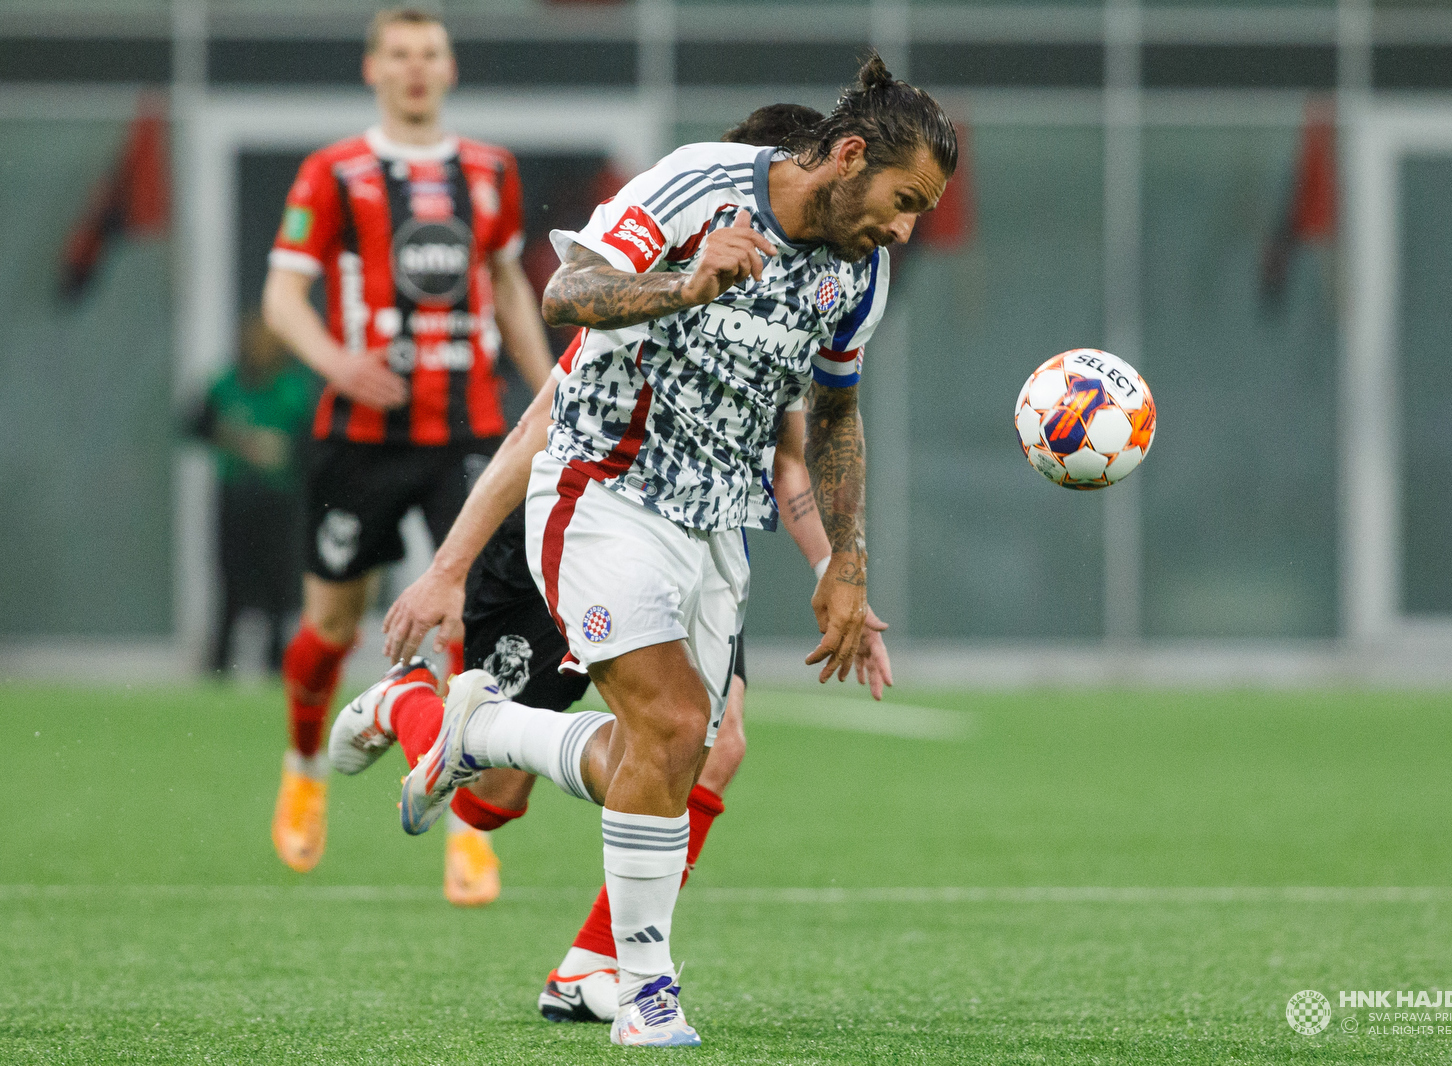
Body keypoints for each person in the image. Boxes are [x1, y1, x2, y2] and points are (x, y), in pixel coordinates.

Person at [397, 56, 956, 1046]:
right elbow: (567, 292)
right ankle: (645, 990)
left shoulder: (859, 273)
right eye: (903, 201)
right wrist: (686, 282)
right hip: (603, 490)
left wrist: (847, 561)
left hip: (716, 527)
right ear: (851, 155)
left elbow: (830, 418)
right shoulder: (698, 182)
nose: (905, 229)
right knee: (675, 722)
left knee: (673, 750)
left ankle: (479, 732)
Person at [331, 107, 889, 931]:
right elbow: (532, 435)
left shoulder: (789, 306)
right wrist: (447, 570)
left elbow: (792, 456)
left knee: (707, 741)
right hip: (585, 518)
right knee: (490, 803)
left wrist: (834, 571)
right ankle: (411, 705)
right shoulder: (633, 309)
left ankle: (599, 967)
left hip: (696, 531)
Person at [259, 6, 555, 877]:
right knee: (330, 623)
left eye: (430, 54)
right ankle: (305, 767)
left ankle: (467, 819)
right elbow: (283, 296)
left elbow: (506, 289)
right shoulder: (334, 172)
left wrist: (550, 395)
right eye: (400, 55)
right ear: (373, 69)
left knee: (469, 613)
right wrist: (337, 363)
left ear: (450, 69)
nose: (416, 68)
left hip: (466, 432)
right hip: (358, 437)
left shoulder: (490, 171)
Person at [190, 315, 318, 674]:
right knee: (230, 577)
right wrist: (235, 439)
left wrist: (283, 451)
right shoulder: (225, 385)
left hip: (279, 500)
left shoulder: (293, 390)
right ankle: (220, 661)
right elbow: (194, 424)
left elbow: (313, 446)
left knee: (279, 580)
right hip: (235, 496)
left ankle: (276, 660)